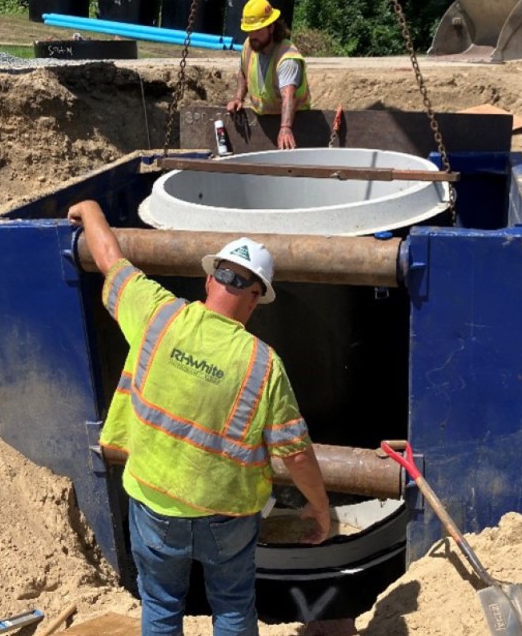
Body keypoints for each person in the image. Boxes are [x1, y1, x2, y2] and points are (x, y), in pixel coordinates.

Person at [67, 199, 330, 636]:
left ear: (209, 279)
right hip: (226, 517)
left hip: (154, 505)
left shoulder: (158, 315)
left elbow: (110, 259)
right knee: (231, 606)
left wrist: (91, 211)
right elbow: (296, 454)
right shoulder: (263, 365)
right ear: (256, 298)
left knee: (162, 603)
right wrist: (320, 507)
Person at [226, 0, 311, 150]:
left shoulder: (287, 58)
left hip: (298, 123)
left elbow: (288, 95)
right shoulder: (249, 45)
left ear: (271, 28)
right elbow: (243, 73)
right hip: (262, 119)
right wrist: (238, 98)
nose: (253, 36)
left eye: (258, 30)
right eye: (249, 31)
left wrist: (285, 128)